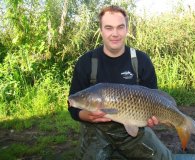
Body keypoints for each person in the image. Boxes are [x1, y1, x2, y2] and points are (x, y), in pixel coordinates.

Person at [68, 5, 173, 160]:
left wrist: (154, 118)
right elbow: (72, 104)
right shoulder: (86, 62)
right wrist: (86, 116)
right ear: (101, 30)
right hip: (96, 131)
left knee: (164, 158)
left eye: (120, 27)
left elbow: (154, 98)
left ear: (126, 29)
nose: (115, 34)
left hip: (134, 130)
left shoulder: (141, 61)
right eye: (109, 28)